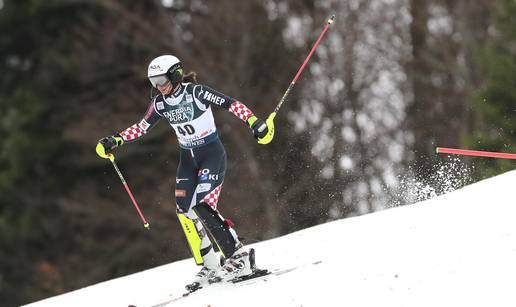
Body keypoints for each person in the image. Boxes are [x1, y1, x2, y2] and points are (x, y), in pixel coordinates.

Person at [95, 55, 274, 289]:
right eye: (154, 82)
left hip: (211, 154)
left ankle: (239, 258)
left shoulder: (195, 92)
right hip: (187, 160)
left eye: (161, 80)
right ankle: (210, 265)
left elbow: (231, 103)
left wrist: (254, 122)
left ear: (175, 74)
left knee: (202, 205)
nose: (159, 86)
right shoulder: (160, 103)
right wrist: (116, 140)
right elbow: (142, 127)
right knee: (184, 211)